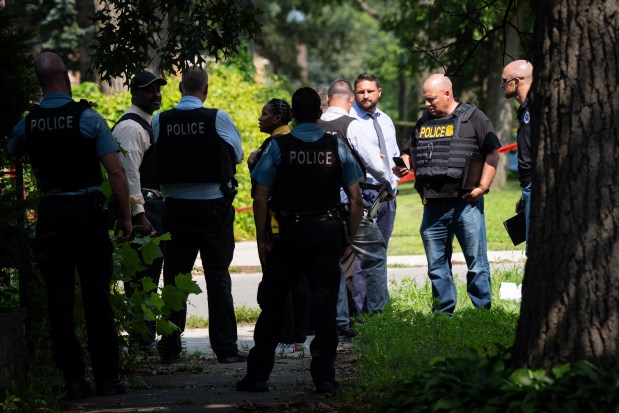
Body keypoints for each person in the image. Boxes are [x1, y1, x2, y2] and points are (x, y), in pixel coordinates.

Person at [7, 52, 132, 398]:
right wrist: (125, 215)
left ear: (39, 83)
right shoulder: (87, 118)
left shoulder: (28, 122)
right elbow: (116, 171)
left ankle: (74, 379)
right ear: (66, 77)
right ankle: (108, 377)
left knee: (58, 298)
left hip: (50, 214)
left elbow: (11, 153)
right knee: (97, 296)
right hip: (87, 214)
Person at [236, 87, 363, 393]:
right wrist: (350, 238)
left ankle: (257, 376)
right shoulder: (336, 146)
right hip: (326, 233)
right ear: (320, 113)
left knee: (273, 304)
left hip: (290, 235)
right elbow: (356, 199)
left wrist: (263, 239)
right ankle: (325, 377)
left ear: (291, 113)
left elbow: (260, 196)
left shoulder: (278, 147)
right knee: (325, 307)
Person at [151, 66, 247, 364]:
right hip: (212, 210)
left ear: (180, 88)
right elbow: (239, 155)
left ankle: (169, 347)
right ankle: (226, 349)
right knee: (218, 278)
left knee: (175, 279)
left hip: (175, 210)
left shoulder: (159, 120)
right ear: (205, 89)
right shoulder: (217, 117)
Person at [394, 74, 500, 314]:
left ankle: (483, 315)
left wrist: (482, 187)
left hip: (465, 203)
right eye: (425, 100)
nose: (427, 105)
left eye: (431, 100)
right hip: (432, 206)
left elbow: (493, 153)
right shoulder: (423, 122)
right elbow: (410, 151)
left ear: (447, 94)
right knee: (437, 267)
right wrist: (404, 163)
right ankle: (443, 316)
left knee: (476, 264)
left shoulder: (474, 118)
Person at [317, 79, 394, 339]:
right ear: (351, 100)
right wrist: (389, 185)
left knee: (334, 262)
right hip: (350, 205)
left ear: (328, 100)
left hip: (320, 209)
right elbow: (375, 164)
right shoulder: (351, 125)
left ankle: (339, 323)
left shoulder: (313, 127)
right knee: (374, 256)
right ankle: (377, 319)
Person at [248, 98, 311, 354]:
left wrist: (253, 162)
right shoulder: (296, 141)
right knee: (300, 278)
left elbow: (261, 191)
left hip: (278, 223)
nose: (260, 118)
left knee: (280, 280)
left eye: (264, 114)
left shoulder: (274, 145)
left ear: (276, 119)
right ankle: (298, 336)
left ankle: (285, 338)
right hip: (302, 220)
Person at [112, 71, 167, 348]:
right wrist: (139, 215)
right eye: (148, 90)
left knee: (148, 277)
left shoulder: (146, 124)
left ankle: (144, 338)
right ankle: (141, 341)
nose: (155, 94)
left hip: (152, 206)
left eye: (158, 89)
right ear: (133, 92)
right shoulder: (131, 128)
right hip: (143, 211)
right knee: (142, 279)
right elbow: (128, 175)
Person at [349, 72, 400, 314]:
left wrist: (398, 172)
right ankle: (363, 315)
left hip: (387, 194)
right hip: (363, 193)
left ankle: (378, 311)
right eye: (361, 91)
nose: (366, 95)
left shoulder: (386, 120)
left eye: (370, 91)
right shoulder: (351, 122)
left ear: (379, 92)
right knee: (362, 258)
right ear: (354, 94)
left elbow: (392, 154)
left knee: (379, 254)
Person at [501, 60, 533, 250]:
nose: (502, 85)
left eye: (505, 80)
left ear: (517, 81)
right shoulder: (524, 110)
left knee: (535, 250)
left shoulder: (536, 107)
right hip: (528, 187)